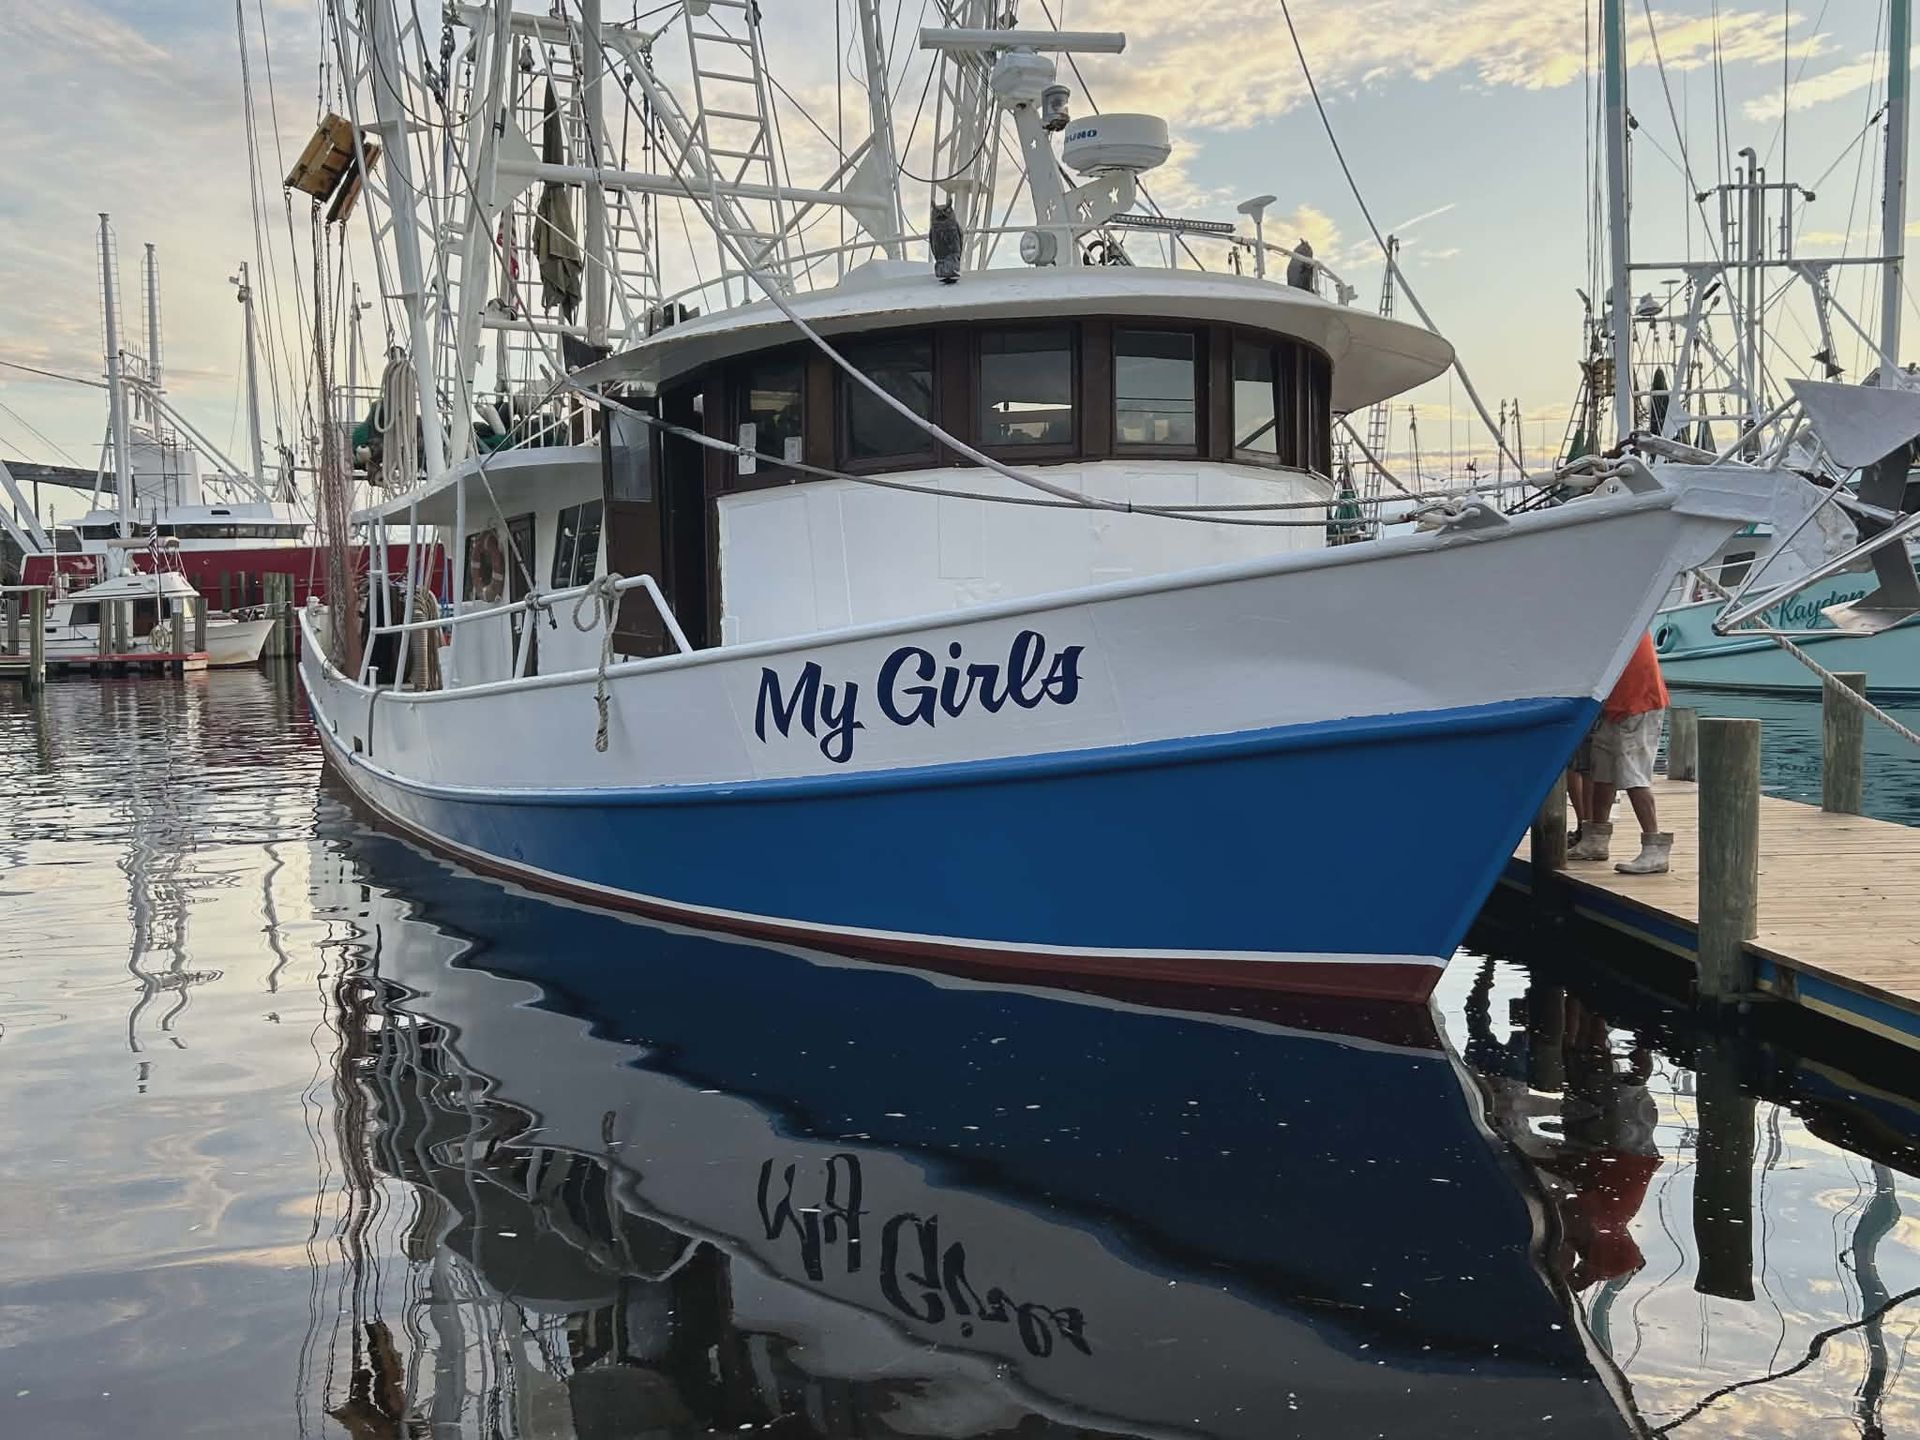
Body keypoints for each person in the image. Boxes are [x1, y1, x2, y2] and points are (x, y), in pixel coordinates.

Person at [1569, 631, 1672, 874]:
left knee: (1633, 775)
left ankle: (1654, 847)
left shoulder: (1621, 624)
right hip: (1615, 706)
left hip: (1638, 704)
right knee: (1602, 771)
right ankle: (1596, 839)